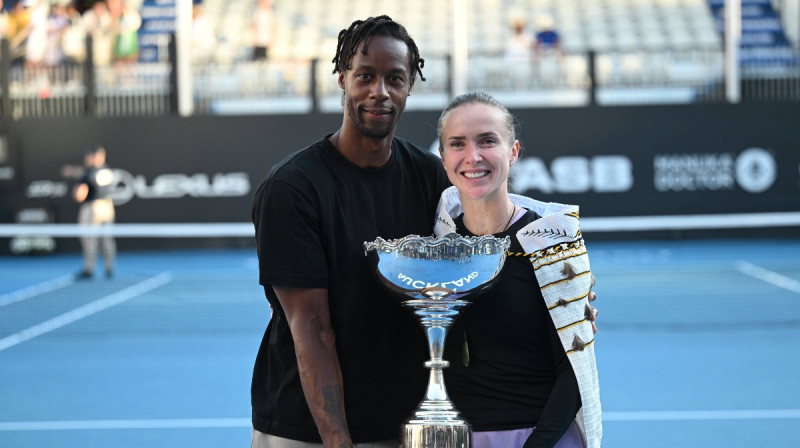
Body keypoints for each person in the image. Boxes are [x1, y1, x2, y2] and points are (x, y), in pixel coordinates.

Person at [251, 16, 598, 448]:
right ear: (342, 78)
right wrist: (338, 442)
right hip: (306, 428)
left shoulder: (430, 179)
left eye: (394, 78)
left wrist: (561, 279)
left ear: (410, 85)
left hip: (405, 427)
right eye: (365, 75)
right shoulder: (292, 189)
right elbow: (311, 329)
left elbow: (493, 227)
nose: (380, 91)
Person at [433, 92, 601, 448]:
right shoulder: (432, 245)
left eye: (487, 141)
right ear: (443, 157)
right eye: (457, 144)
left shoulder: (553, 244)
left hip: (541, 437)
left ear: (513, 151)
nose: (472, 156)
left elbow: (574, 373)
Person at [73, 144, 116, 279]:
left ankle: (89, 269)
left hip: (93, 208)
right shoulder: (106, 171)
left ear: (96, 157)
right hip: (108, 207)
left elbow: (80, 194)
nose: (86, 159)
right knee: (106, 239)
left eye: (89, 156)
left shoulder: (89, 174)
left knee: (89, 239)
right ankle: (109, 269)